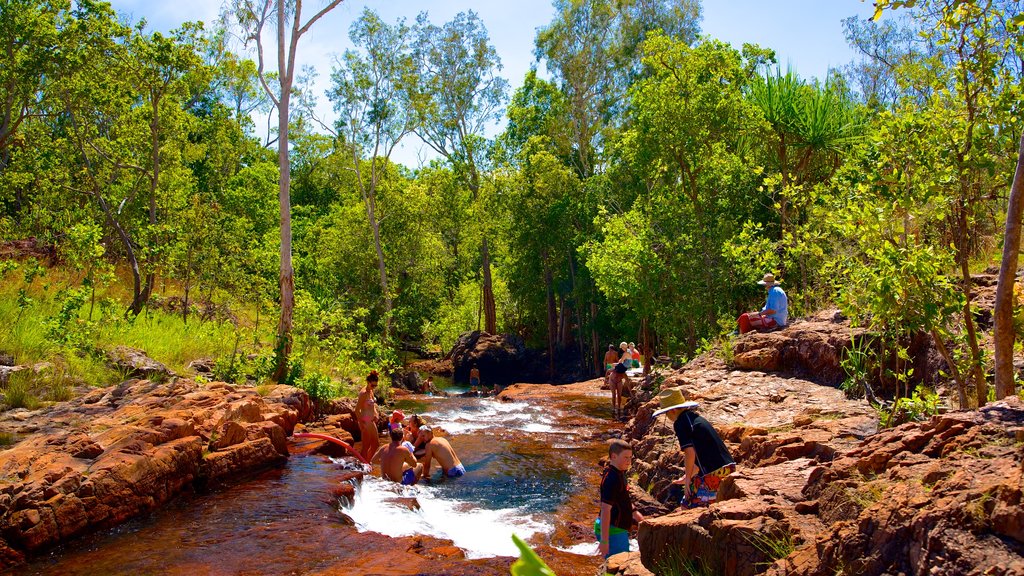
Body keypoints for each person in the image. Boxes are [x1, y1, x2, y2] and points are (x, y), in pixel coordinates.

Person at [652, 388, 736, 509]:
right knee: (690, 503)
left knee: (690, 505)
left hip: (715, 473)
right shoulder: (694, 418)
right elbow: (702, 454)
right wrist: (689, 476)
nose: (667, 416)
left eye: (667, 412)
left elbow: (690, 453)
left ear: (673, 410)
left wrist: (687, 483)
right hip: (728, 467)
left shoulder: (680, 423)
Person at [595, 439, 644, 559]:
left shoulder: (619, 473)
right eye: (625, 458)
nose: (629, 461)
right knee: (617, 564)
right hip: (613, 530)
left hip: (617, 529)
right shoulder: (611, 479)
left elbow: (622, 498)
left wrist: (635, 513)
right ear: (613, 456)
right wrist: (605, 541)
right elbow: (606, 510)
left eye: (630, 458)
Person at [356, 370, 381, 462]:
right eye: (372, 385)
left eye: (375, 385)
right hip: (365, 421)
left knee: (375, 445)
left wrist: (376, 413)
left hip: (371, 421)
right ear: (368, 382)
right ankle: (363, 465)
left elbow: (372, 406)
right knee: (366, 445)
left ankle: (367, 462)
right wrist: (361, 423)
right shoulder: (363, 393)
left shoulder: (371, 391)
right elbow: (357, 410)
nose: (374, 387)